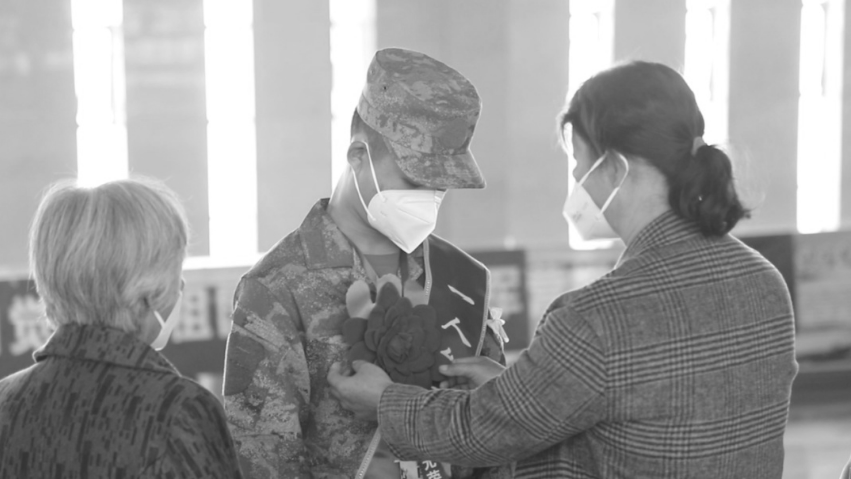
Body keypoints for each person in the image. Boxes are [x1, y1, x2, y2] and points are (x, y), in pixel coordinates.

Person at [328, 60, 799, 478]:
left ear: (615, 168)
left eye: (580, 162)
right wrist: (517, 388)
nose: (576, 179)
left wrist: (386, 402)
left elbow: (483, 431)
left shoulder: (597, 318)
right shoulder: (763, 281)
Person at [222, 47, 510, 479]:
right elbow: (265, 460)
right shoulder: (278, 288)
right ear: (358, 155)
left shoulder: (462, 278)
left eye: (440, 185)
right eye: (414, 180)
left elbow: (499, 444)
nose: (429, 199)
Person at [0, 178, 243, 478]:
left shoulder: (5, 401)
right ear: (147, 291)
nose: (180, 286)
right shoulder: (177, 411)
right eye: (175, 270)